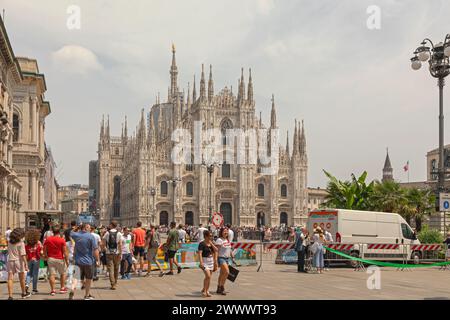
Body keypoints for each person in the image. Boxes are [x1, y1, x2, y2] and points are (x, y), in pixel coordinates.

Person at [70, 223, 100, 300]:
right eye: (89, 228)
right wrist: (97, 260)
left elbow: (70, 232)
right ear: (86, 228)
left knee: (76, 277)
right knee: (88, 279)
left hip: (78, 261)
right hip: (88, 261)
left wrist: (75, 228)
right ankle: (86, 295)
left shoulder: (76, 235)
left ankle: (72, 290)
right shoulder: (90, 236)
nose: (90, 229)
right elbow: (95, 250)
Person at [43, 224, 69, 295]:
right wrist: (67, 261)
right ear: (59, 232)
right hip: (60, 258)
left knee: (52, 275)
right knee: (63, 273)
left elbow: (44, 248)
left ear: (52, 231)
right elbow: (65, 252)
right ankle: (62, 288)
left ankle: (53, 290)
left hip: (51, 258)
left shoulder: (48, 239)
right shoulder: (62, 240)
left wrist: (46, 256)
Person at [7, 228, 31, 300]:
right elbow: (23, 255)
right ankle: (23, 293)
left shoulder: (9, 242)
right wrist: (26, 264)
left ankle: (10, 296)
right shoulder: (21, 243)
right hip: (19, 261)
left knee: (10, 278)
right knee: (22, 279)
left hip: (10, 260)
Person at [102, 220, 122, 290]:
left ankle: (112, 284)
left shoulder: (107, 233)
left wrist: (105, 249)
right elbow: (120, 244)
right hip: (117, 253)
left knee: (110, 269)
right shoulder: (119, 233)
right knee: (116, 268)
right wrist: (120, 253)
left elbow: (103, 243)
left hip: (108, 253)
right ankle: (115, 282)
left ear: (111, 225)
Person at [215, 227, 235, 295]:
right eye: (224, 231)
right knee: (226, 272)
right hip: (221, 258)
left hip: (227, 258)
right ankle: (222, 287)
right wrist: (215, 260)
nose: (226, 233)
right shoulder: (219, 240)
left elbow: (229, 249)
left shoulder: (227, 240)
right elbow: (216, 251)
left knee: (222, 274)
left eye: (227, 231)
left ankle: (218, 287)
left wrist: (232, 256)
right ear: (221, 232)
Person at [198, 230, 217, 298]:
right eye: (210, 236)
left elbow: (216, 250)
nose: (211, 237)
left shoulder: (211, 243)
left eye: (211, 236)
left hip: (211, 261)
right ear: (206, 236)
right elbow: (200, 254)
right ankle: (205, 291)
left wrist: (211, 244)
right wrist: (201, 263)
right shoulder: (201, 244)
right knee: (208, 276)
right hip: (205, 261)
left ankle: (206, 290)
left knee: (208, 277)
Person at [25, 229, 42, 294]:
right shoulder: (38, 242)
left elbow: (25, 251)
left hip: (29, 259)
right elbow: (41, 250)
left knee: (29, 273)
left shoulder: (27, 243)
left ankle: (27, 284)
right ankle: (34, 289)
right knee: (35, 274)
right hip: (36, 259)